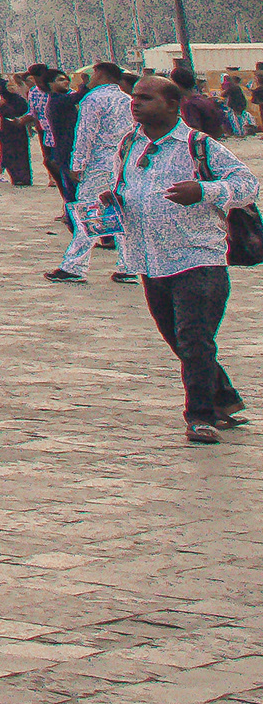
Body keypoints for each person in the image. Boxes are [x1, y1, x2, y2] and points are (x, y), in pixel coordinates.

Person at [103, 79, 254, 442]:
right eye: (134, 97)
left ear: (172, 104)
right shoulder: (129, 143)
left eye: (146, 98)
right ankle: (224, 397)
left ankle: (200, 416)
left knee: (194, 339)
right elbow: (125, 186)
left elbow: (247, 184)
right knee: (178, 339)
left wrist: (204, 190)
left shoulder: (198, 146)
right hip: (150, 259)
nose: (135, 103)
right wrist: (113, 200)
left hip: (198, 258)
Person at [50, 63, 133, 283]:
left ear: (101, 74)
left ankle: (74, 266)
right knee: (120, 212)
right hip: (122, 162)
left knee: (88, 211)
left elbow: (85, 134)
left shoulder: (93, 99)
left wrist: (77, 164)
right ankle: (128, 265)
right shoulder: (127, 100)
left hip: (98, 163)